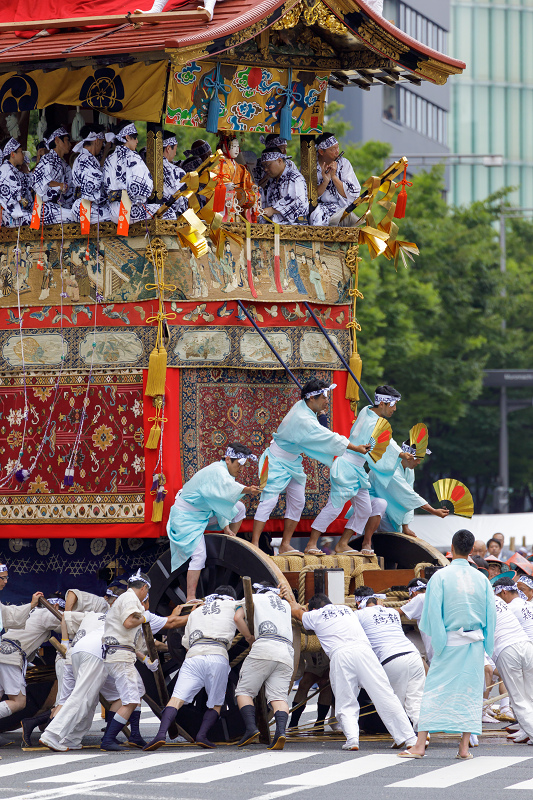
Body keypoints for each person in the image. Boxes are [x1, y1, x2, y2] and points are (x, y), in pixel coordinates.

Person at [398, 529, 496, 760]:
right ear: (472, 550)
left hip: (449, 641)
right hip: (474, 643)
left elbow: (432, 613)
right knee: (469, 693)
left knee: (433, 691)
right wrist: (487, 646)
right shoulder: (481, 579)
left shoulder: (440, 577)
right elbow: (490, 616)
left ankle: (420, 744)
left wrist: (438, 643)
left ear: (451, 549)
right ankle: (463, 748)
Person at [282, 587, 416, 751]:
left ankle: (352, 739)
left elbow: (296, 612)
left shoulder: (315, 615)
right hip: (364, 652)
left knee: (346, 700)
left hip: (341, 655)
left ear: (314, 609)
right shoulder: (347, 610)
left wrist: (289, 599)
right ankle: (408, 738)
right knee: (385, 695)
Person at [251, 378, 366, 556]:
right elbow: (329, 437)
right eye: (324, 397)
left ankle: (285, 544)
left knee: (298, 502)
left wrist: (321, 415)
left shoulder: (304, 407)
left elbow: (321, 429)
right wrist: (355, 447)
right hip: (275, 460)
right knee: (269, 501)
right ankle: (255, 544)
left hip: (293, 462)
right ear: (311, 399)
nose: (327, 400)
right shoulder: (303, 418)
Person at [145, 585, 253, 751]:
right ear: (230, 597)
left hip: (194, 655)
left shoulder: (195, 612)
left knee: (176, 699)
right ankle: (202, 736)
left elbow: (185, 643)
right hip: (218, 654)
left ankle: (160, 735)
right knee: (216, 704)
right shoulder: (234, 605)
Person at [323, 385, 417, 556]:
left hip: (356, 468)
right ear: (382, 403)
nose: (394, 409)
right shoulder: (373, 421)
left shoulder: (367, 411)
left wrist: (401, 453)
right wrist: (401, 453)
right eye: (393, 404)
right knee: (334, 507)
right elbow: (387, 442)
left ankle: (344, 543)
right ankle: (313, 543)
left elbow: (386, 439)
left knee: (367, 508)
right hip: (348, 466)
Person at [167, 443, 261, 601]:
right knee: (199, 556)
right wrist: (248, 490)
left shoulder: (224, 472)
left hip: (202, 513)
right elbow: (227, 488)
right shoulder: (218, 471)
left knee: (239, 508)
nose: (241, 469)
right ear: (228, 459)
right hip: (186, 518)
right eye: (239, 465)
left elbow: (218, 501)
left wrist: (226, 528)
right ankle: (190, 597)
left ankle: (230, 541)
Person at [356, 588, 426, 731]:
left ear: (358, 602)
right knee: (416, 700)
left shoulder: (359, 615)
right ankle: (422, 735)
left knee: (394, 703)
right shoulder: (392, 612)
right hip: (414, 655)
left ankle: (404, 737)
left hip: (391, 659)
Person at [235, 582, 294, 750]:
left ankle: (251, 729)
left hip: (264, 646)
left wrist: (248, 637)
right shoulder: (284, 604)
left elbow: (237, 618)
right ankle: (280, 732)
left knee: (244, 692)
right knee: (278, 697)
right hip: (287, 651)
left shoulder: (252, 597)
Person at [100, 570, 153, 751]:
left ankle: (135, 735)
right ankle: (108, 739)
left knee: (137, 690)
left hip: (120, 653)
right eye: (147, 592)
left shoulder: (124, 598)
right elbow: (129, 622)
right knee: (130, 699)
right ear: (144, 587)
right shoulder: (131, 599)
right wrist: (145, 616)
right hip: (120, 655)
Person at [491, 577, 533, 744]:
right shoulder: (526, 604)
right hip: (528, 647)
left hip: (510, 649)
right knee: (529, 695)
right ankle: (526, 730)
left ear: (503, 591)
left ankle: (530, 730)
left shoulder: (507, 607)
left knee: (518, 698)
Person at [103, 122, 153, 225]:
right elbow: (143, 188)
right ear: (127, 137)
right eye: (135, 138)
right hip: (129, 211)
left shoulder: (109, 159)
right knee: (167, 212)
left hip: (113, 212)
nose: (137, 141)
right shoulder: (133, 156)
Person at [309, 133, 360, 226]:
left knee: (348, 219)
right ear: (321, 152)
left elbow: (353, 194)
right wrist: (325, 181)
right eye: (333, 149)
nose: (337, 152)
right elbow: (309, 196)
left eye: (338, 147)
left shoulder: (344, 163)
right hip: (317, 209)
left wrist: (334, 177)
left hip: (340, 207)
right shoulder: (310, 166)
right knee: (317, 218)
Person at [70, 125, 111, 224]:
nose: (102, 146)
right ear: (97, 141)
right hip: (86, 207)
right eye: (102, 142)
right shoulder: (84, 159)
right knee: (117, 214)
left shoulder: (87, 158)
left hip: (90, 206)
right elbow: (93, 186)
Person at [32, 127, 72, 224]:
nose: (70, 144)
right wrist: (59, 185)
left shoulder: (64, 164)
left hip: (59, 206)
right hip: (45, 208)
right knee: (76, 216)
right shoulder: (47, 159)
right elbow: (39, 184)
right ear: (57, 140)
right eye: (67, 140)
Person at [259, 148, 308, 225]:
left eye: (267, 165)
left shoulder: (294, 177)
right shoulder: (271, 181)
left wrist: (273, 210)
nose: (265, 169)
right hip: (274, 226)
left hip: (295, 227)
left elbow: (297, 202)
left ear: (279, 161)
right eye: (263, 166)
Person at [399, 578, 433, 664]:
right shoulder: (437, 596)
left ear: (413, 593)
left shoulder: (420, 598)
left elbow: (396, 613)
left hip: (435, 651)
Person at [0, 139, 33, 226]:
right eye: (21, 152)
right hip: (11, 216)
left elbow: (31, 181)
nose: (23, 155)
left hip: (20, 212)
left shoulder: (14, 170)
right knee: (39, 219)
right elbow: (9, 200)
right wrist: (21, 200)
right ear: (12, 154)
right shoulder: (5, 170)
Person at [157, 133, 188, 219]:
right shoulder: (179, 172)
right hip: (172, 221)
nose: (175, 154)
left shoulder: (145, 167)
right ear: (168, 148)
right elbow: (184, 204)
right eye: (175, 149)